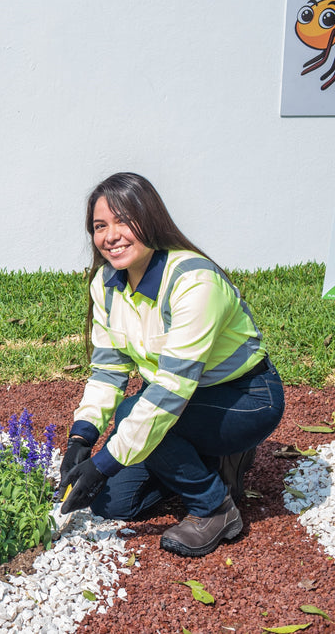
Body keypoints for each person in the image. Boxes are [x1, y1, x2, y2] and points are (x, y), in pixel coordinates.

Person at [58, 172, 284, 557]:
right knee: (111, 504)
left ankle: (214, 508)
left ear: (150, 218)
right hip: (181, 401)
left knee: (135, 412)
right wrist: (82, 438)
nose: (110, 236)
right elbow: (108, 370)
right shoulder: (106, 283)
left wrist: (105, 462)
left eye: (123, 221)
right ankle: (207, 458)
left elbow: (169, 391)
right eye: (100, 226)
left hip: (245, 398)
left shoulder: (194, 281)